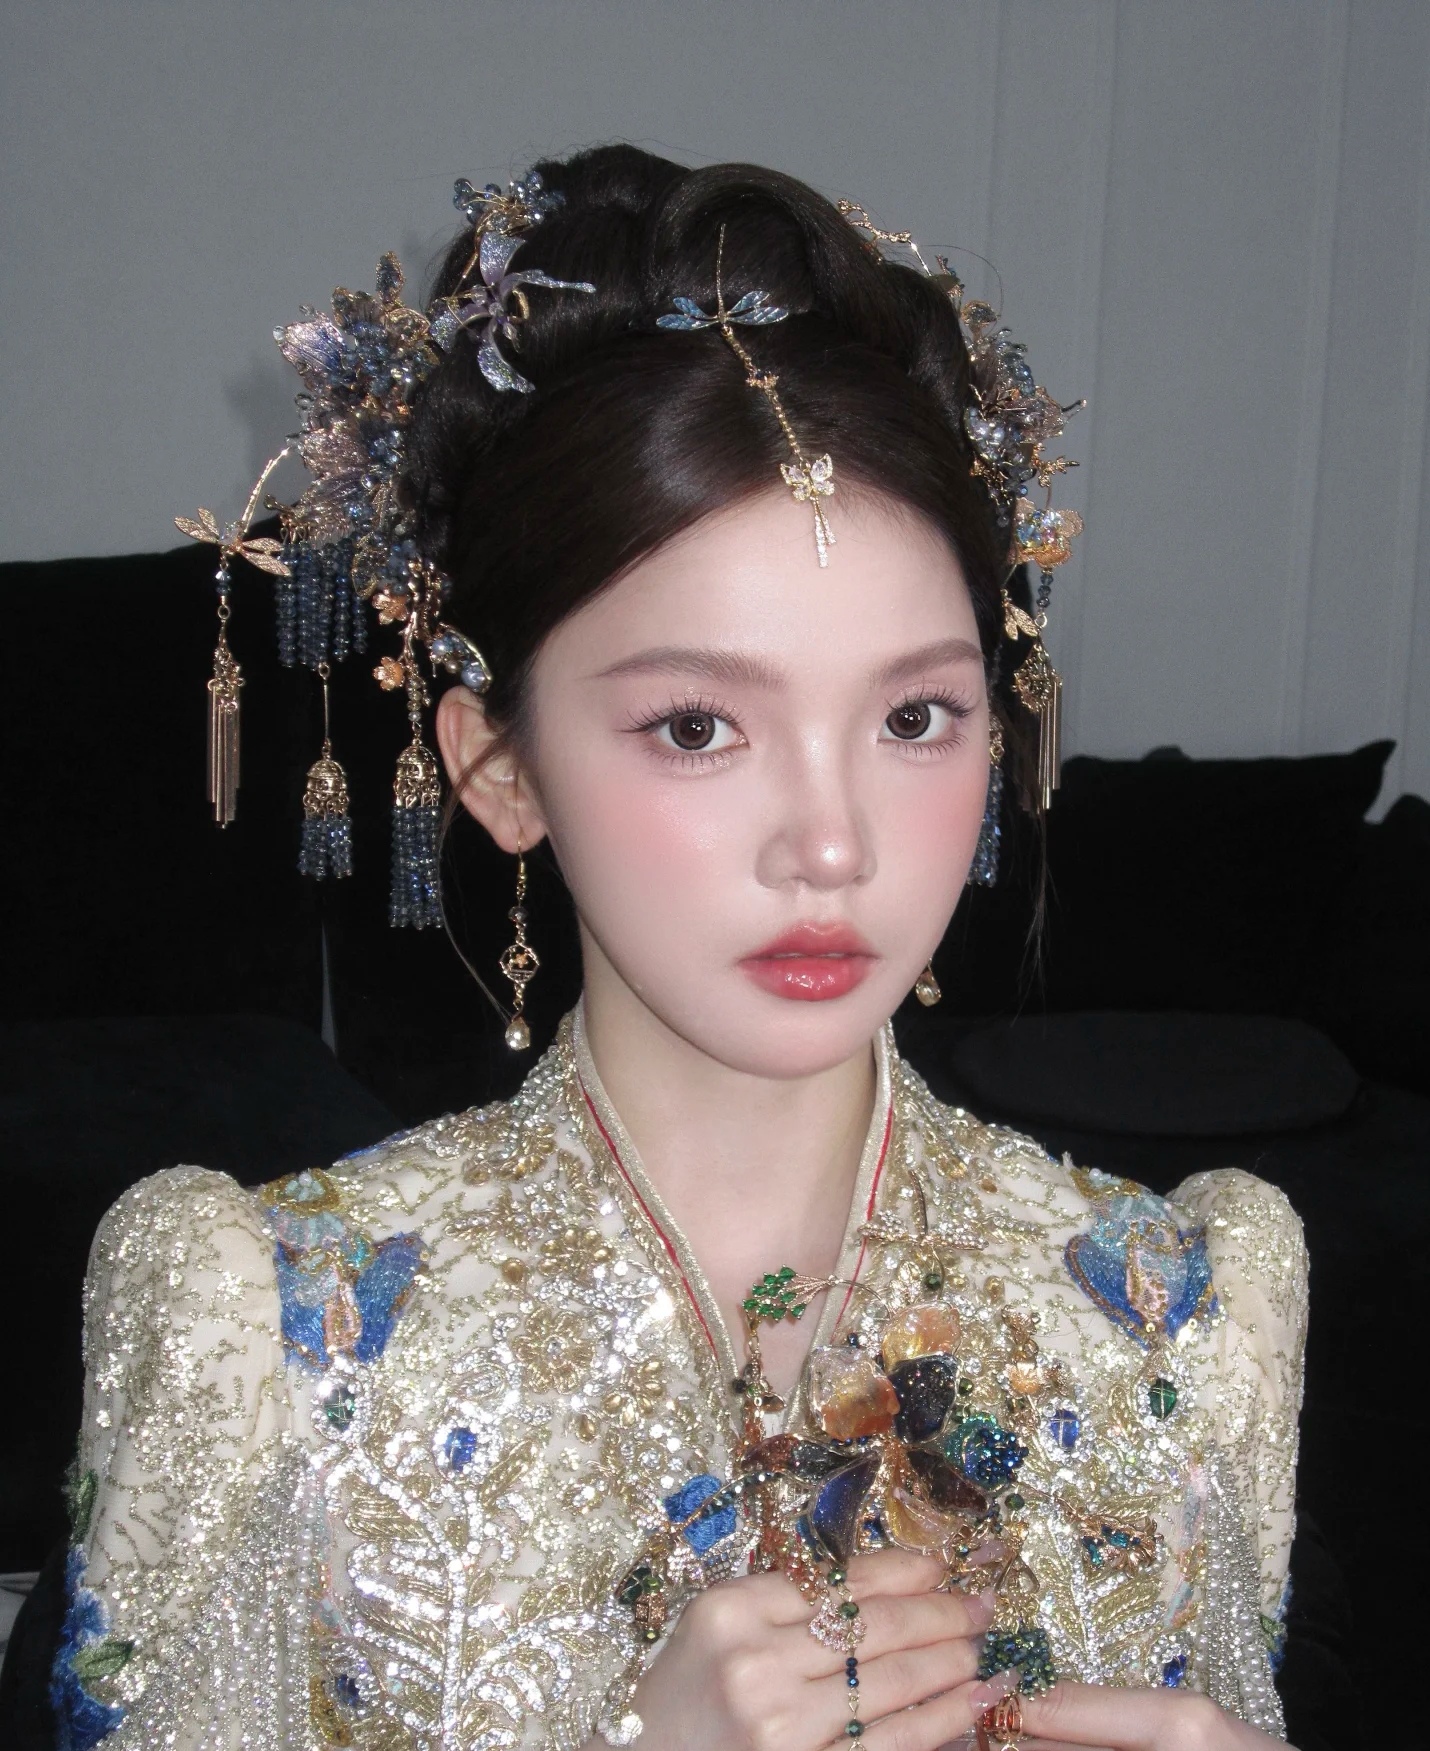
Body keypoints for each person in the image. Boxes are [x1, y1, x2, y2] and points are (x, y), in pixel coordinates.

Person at [55, 146, 1306, 1751]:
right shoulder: (266, 1327)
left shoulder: (1180, 1310)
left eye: (913, 718)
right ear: (498, 767)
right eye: (697, 725)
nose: (831, 844)